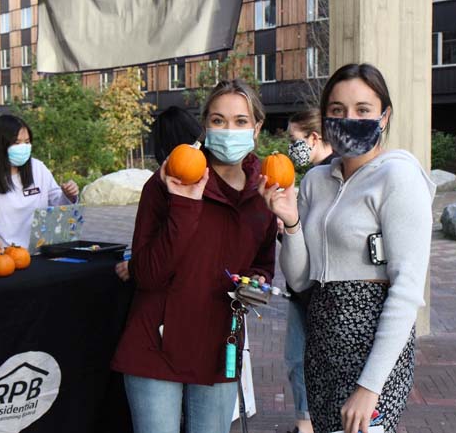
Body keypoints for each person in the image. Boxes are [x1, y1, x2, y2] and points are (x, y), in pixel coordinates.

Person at [260, 63, 435, 433]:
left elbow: (406, 290)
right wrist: (291, 222)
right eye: (337, 111)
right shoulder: (316, 181)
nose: (348, 118)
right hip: (322, 346)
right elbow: (301, 278)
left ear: (384, 117)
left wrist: (370, 387)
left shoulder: (399, 176)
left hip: (373, 354)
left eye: (363, 110)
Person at [111, 79, 277, 433]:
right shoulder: (169, 180)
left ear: (257, 127)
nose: (228, 130)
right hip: (157, 341)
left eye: (240, 121)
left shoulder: (264, 188)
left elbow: (263, 263)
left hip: (220, 343)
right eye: (218, 121)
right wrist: (186, 205)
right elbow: (147, 274)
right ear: (205, 125)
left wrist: (259, 281)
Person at [283, 108, 335, 433]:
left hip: (312, 293)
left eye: (294, 140)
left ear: (314, 138)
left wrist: (291, 227)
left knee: (300, 361)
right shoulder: (319, 175)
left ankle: (306, 426)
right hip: (306, 291)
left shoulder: (326, 178)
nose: (291, 148)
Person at [0, 114, 79, 249]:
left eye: (27, 142)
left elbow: (57, 206)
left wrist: (69, 195)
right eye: (16, 142)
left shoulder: (38, 168)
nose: (23, 147)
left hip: (37, 254)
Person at [115, 106, 203, 282]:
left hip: (167, 286)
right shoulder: (208, 176)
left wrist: (136, 266)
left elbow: (143, 242)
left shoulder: (157, 184)